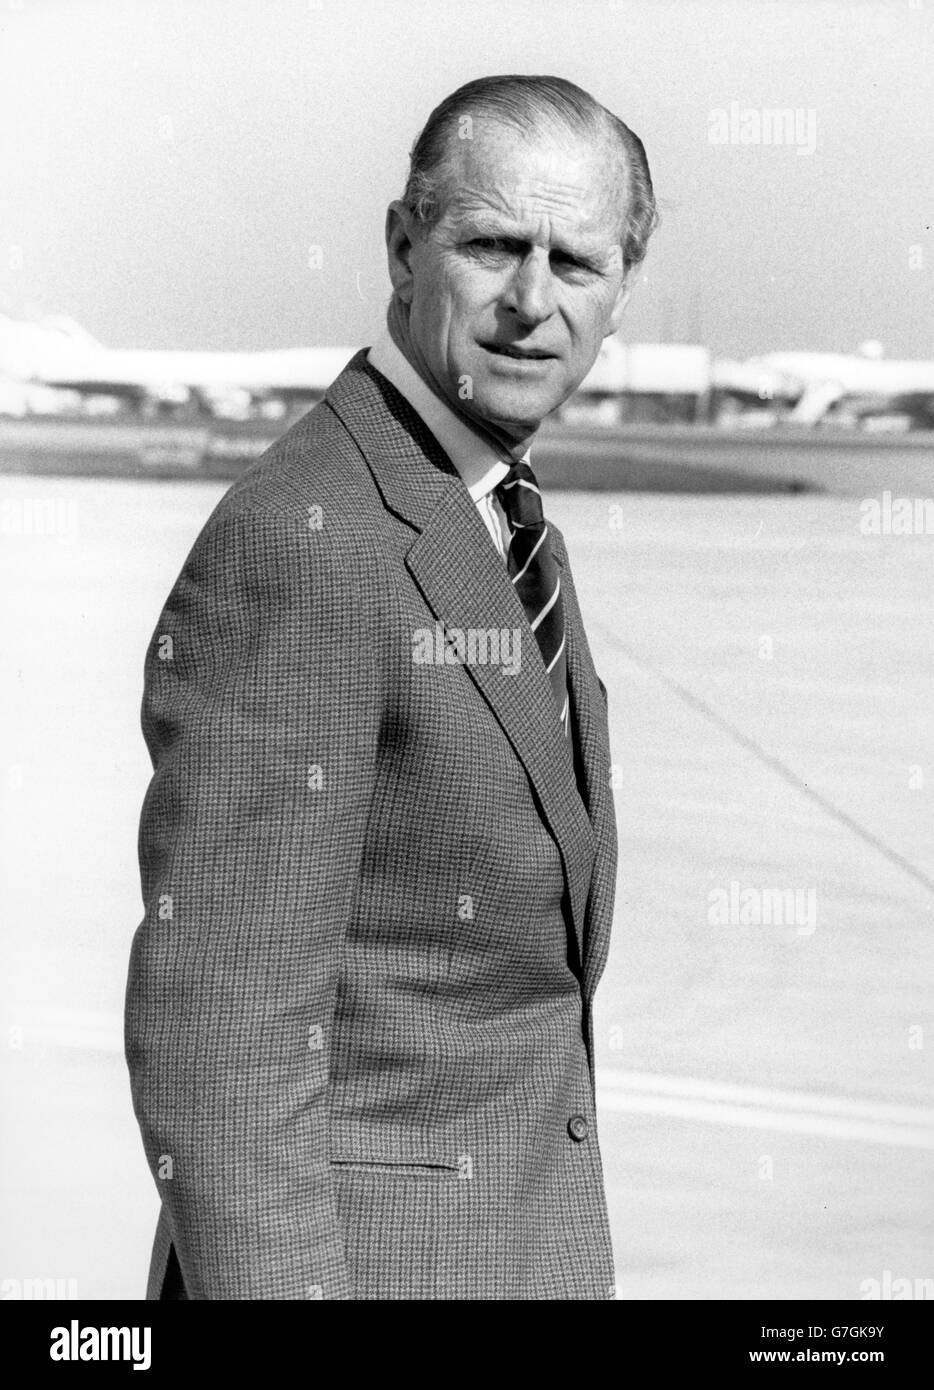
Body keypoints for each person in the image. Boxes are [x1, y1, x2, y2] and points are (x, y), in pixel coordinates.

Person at [124, 72, 656, 1301]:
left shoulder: (493, 519)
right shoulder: (313, 535)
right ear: (402, 245)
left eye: (576, 263)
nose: (533, 302)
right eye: (491, 245)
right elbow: (222, 1045)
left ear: (620, 289)